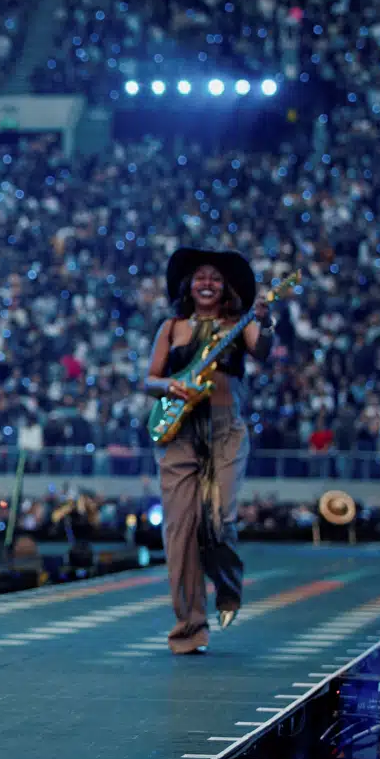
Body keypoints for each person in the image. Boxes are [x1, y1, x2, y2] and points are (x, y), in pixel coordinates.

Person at [145, 248, 274, 655]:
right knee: (180, 532)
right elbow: (149, 378)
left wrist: (265, 320)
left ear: (226, 288)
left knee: (220, 519)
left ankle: (229, 587)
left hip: (225, 432)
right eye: (199, 276)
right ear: (188, 284)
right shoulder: (171, 327)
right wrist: (169, 386)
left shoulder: (240, 325)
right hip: (179, 435)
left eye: (215, 278)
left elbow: (263, 350)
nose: (206, 283)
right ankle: (189, 628)